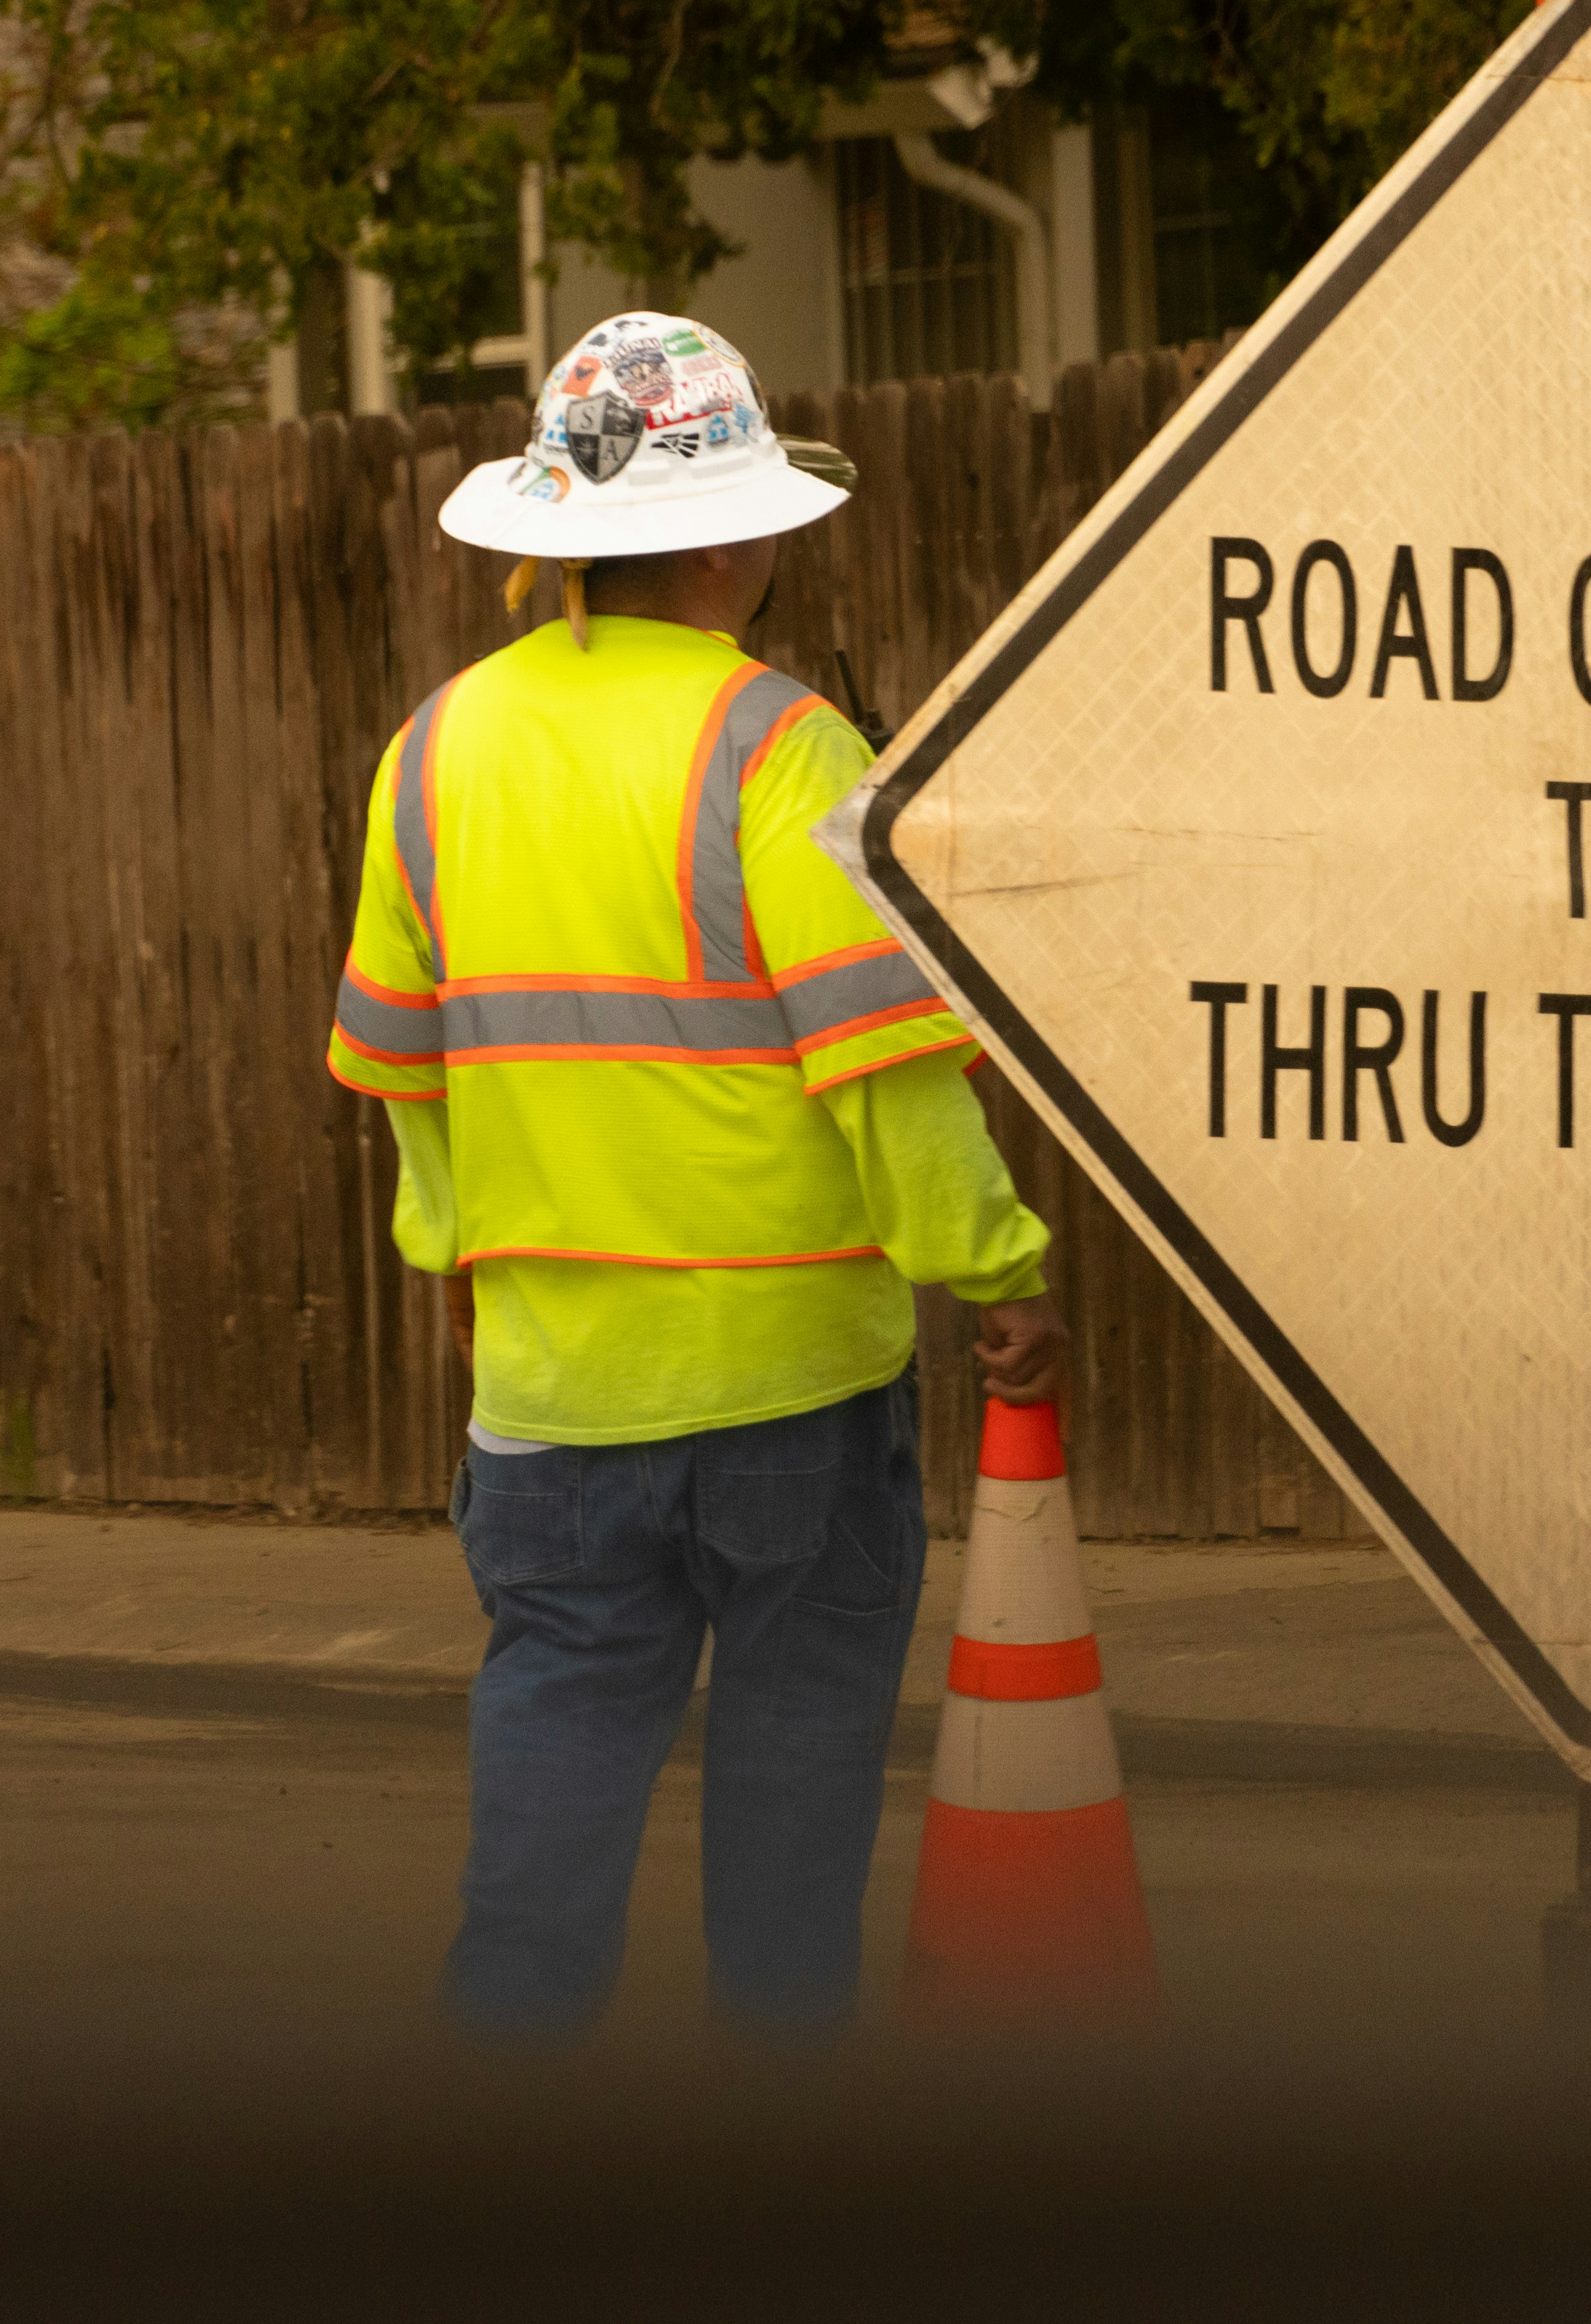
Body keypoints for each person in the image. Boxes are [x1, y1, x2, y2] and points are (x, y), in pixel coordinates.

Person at [327, 310, 1064, 2037]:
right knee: (788, 1883)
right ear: (733, 532)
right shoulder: (777, 744)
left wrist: (462, 1269)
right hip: (790, 1398)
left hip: (552, 1394)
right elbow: (886, 1068)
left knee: (537, 1871)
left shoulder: (434, 750)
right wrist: (999, 1273)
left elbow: (401, 1078)